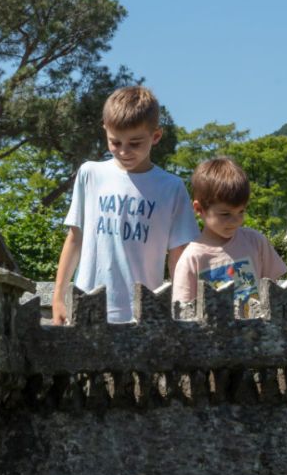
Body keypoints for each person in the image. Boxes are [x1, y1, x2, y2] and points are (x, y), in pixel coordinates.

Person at [52, 85, 198, 324]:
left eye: (135, 143)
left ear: (156, 136)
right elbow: (75, 238)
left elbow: (178, 256)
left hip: (143, 313)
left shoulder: (171, 187)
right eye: (115, 142)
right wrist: (59, 295)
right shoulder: (90, 174)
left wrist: (180, 306)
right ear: (105, 132)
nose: (123, 151)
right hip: (86, 307)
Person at [172, 156, 287, 317]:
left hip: (258, 336)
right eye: (225, 214)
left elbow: (275, 289)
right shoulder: (192, 257)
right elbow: (183, 312)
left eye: (241, 211)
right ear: (199, 209)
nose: (235, 221)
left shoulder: (255, 241)